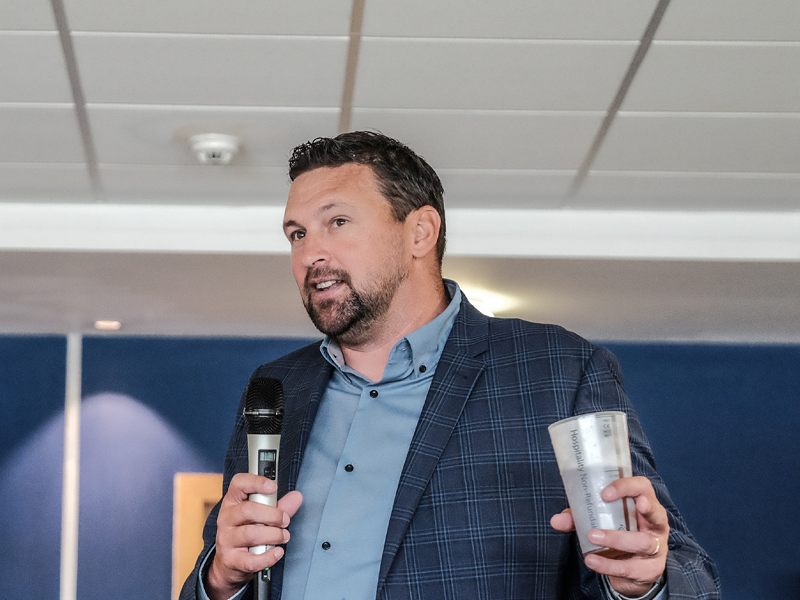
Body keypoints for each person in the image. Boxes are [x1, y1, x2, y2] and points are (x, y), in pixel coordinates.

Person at [180, 131, 720, 600]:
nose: (309, 255)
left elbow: (686, 575)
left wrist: (644, 581)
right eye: (296, 234)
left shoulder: (559, 371)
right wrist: (221, 579)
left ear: (420, 232)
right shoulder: (277, 388)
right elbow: (224, 568)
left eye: (337, 222)